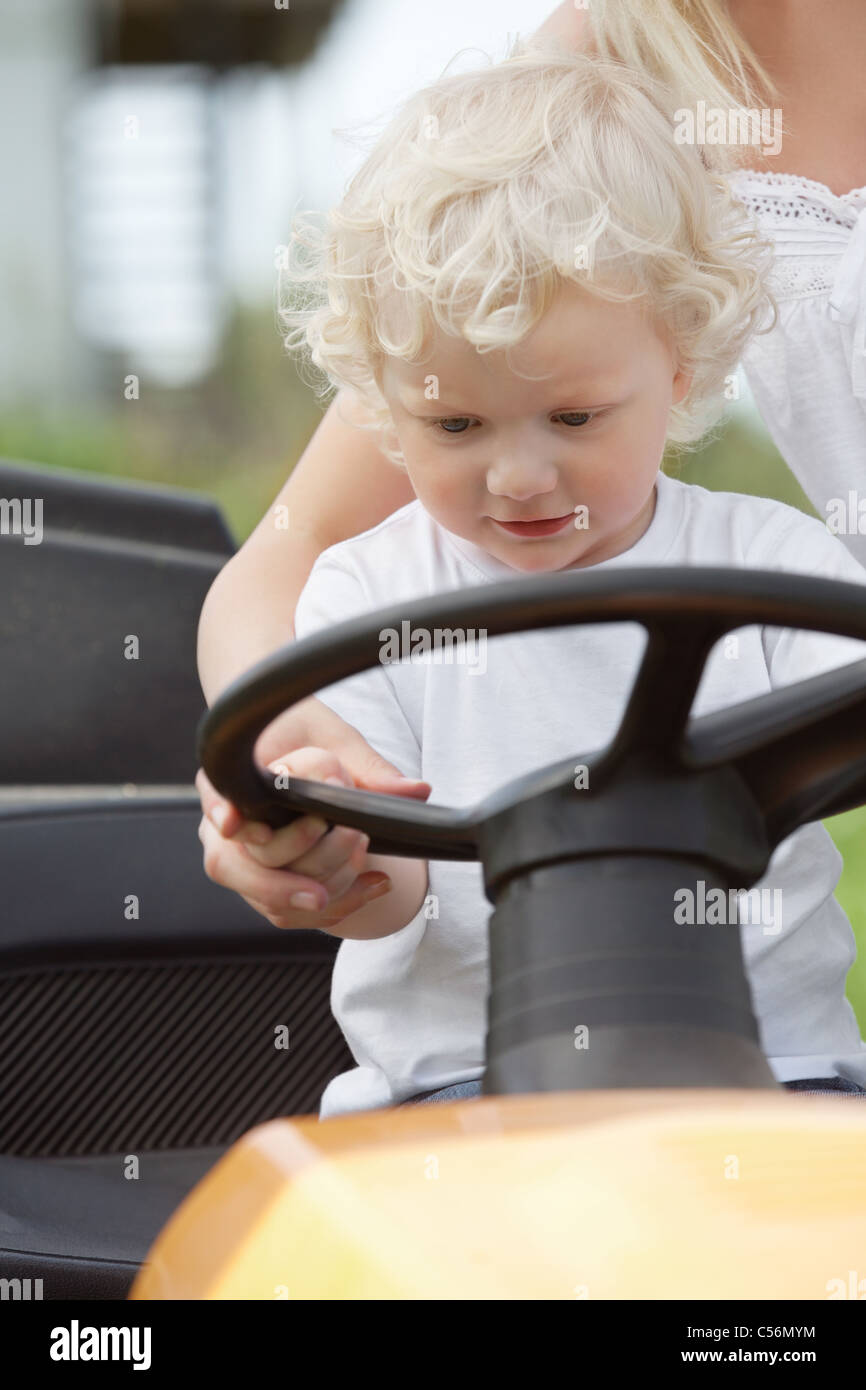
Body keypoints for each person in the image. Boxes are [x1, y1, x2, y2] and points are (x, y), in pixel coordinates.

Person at [200, 45, 866, 1116]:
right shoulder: (363, 606)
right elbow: (387, 896)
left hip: (778, 1088)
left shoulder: (774, 567)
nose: (517, 477)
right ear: (381, 405)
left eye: (573, 418)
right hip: (461, 1099)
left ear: (680, 366)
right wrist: (322, 852)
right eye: (455, 425)